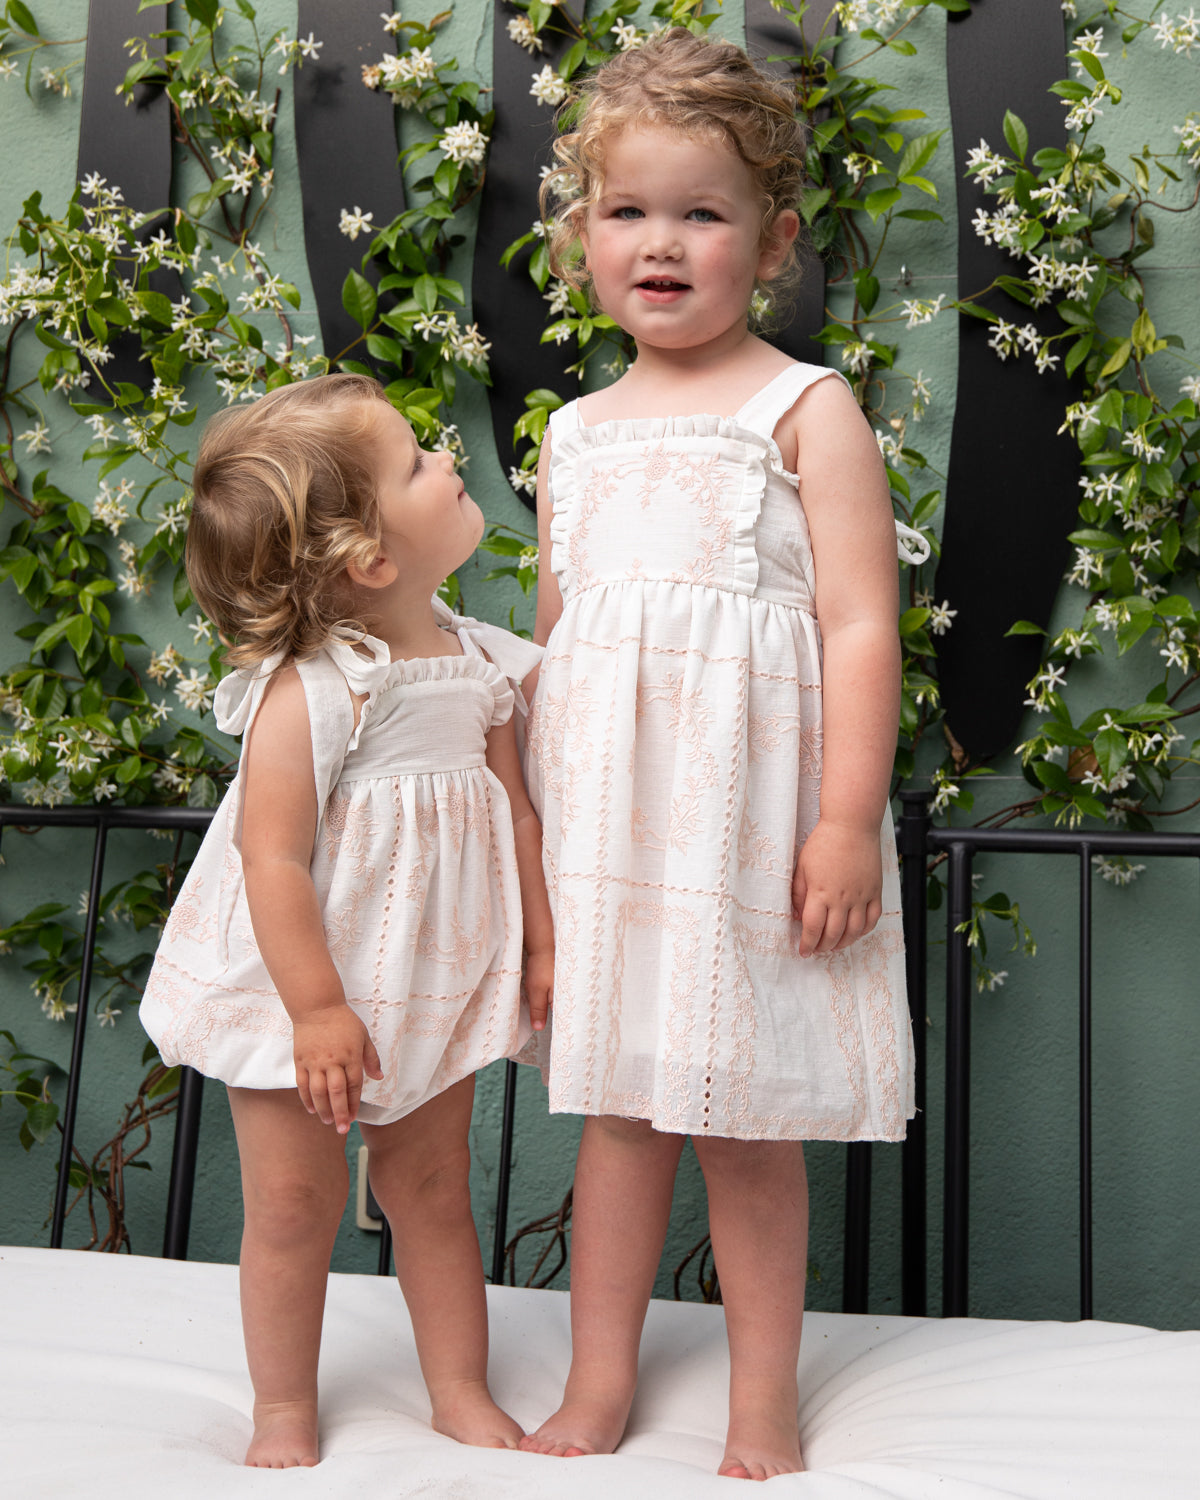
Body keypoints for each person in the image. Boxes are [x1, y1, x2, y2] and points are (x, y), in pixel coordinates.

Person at [519, 28, 919, 1481]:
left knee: (745, 1124)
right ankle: (600, 1382)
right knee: (617, 1114)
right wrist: (543, 875)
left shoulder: (803, 411)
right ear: (581, 240)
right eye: (628, 211)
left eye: (702, 211)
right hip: (615, 833)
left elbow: (862, 627)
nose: (663, 243)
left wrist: (845, 820)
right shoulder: (575, 433)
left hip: (751, 827)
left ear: (776, 238)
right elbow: (562, 653)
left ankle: (763, 1397)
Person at [140, 373, 554, 1468]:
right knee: (291, 1202)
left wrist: (543, 947)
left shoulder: (476, 661)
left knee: (432, 1189)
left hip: (431, 977)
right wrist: (317, 1010)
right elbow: (267, 854)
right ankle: (282, 1407)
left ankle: (457, 1387)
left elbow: (515, 811)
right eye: (417, 464)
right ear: (371, 559)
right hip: (300, 989)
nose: (448, 461)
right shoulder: (317, 689)